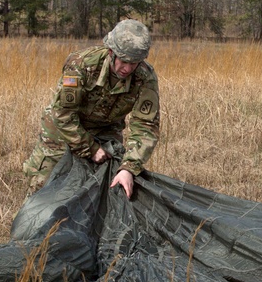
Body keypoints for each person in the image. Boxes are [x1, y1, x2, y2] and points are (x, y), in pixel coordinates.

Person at [23, 19, 160, 199]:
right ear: (111, 52)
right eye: (124, 61)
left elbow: (146, 126)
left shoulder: (145, 77)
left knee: (105, 188)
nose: (127, 68)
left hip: (106, 129)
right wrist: (90, 148)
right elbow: (63, 113)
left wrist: (129, 168)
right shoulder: (81, 64)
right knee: (45, 184)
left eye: (134, 63)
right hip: (63, 128)